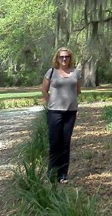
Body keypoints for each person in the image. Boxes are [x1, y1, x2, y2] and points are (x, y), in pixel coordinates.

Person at [41, 47, 82, 184]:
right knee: (54, 143)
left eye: (67, 57)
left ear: (70, 58)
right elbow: (44, 90)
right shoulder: (51, 72)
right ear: (57, 58)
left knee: (65, 143)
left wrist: (69, 102)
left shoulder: (76, 73)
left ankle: (63, 174)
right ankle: (51, 173)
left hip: (70, 112)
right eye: (61, 57)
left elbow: (77, 91)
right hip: (54, 112)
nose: (64, 59)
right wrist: (51, 102)